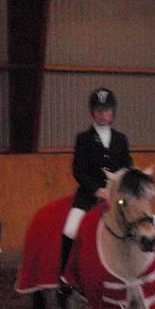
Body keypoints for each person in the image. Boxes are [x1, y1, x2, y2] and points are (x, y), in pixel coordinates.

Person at [58, 87, 134, 278]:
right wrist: (97, 190)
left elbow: (127, 166)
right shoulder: (83, 139)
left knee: (146, 223)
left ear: (112, 113)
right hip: (89, 196)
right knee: (70, 228)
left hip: (117, 197)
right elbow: (79, 170)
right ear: (93, 113)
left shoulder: (120, 139)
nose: (103, 115)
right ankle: (64, 277)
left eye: (106, 111)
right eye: (99, 111)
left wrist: (120, 185)